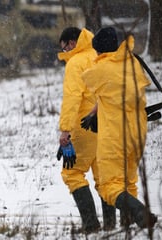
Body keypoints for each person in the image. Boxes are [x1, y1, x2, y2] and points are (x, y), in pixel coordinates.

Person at [81, 27, 157, 228]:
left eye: (97, 51)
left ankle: (141, 213)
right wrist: (95, 112)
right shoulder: (131, 63)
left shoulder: (100, 69)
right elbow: (114, 92)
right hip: (137, 134)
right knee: (128, 182)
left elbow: (94, 83)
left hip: (115, 136)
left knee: (109, 186)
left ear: (100, 50)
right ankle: (128, 227)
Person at [56, 27, 116, 233]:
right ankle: (111, 224)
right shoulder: (98, 55)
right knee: (104, 177)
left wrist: (65, 129)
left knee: (72, 172)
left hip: (84, 125)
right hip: (106, 123)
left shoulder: (75, 63)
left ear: (72, 43)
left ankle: (91, 224)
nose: (64, 53)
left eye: (64, 47)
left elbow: (72, 98)